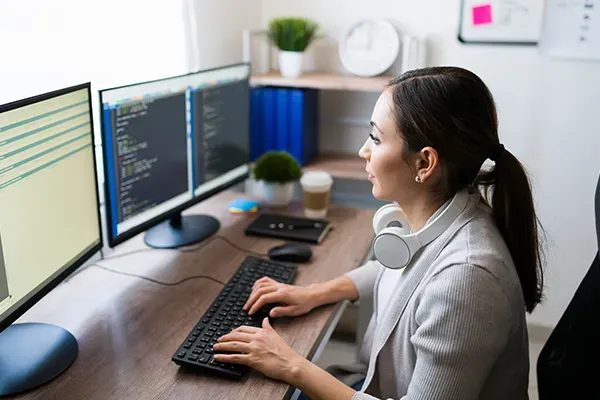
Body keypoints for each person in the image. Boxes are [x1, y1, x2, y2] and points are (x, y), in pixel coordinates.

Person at [213, 66, 545, 400]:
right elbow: (401, 266)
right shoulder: (451, 211)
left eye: (375, 137)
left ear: (424, 164)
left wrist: (292, 365)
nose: (363, 151)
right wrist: (314, 293)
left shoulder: (467, 279)